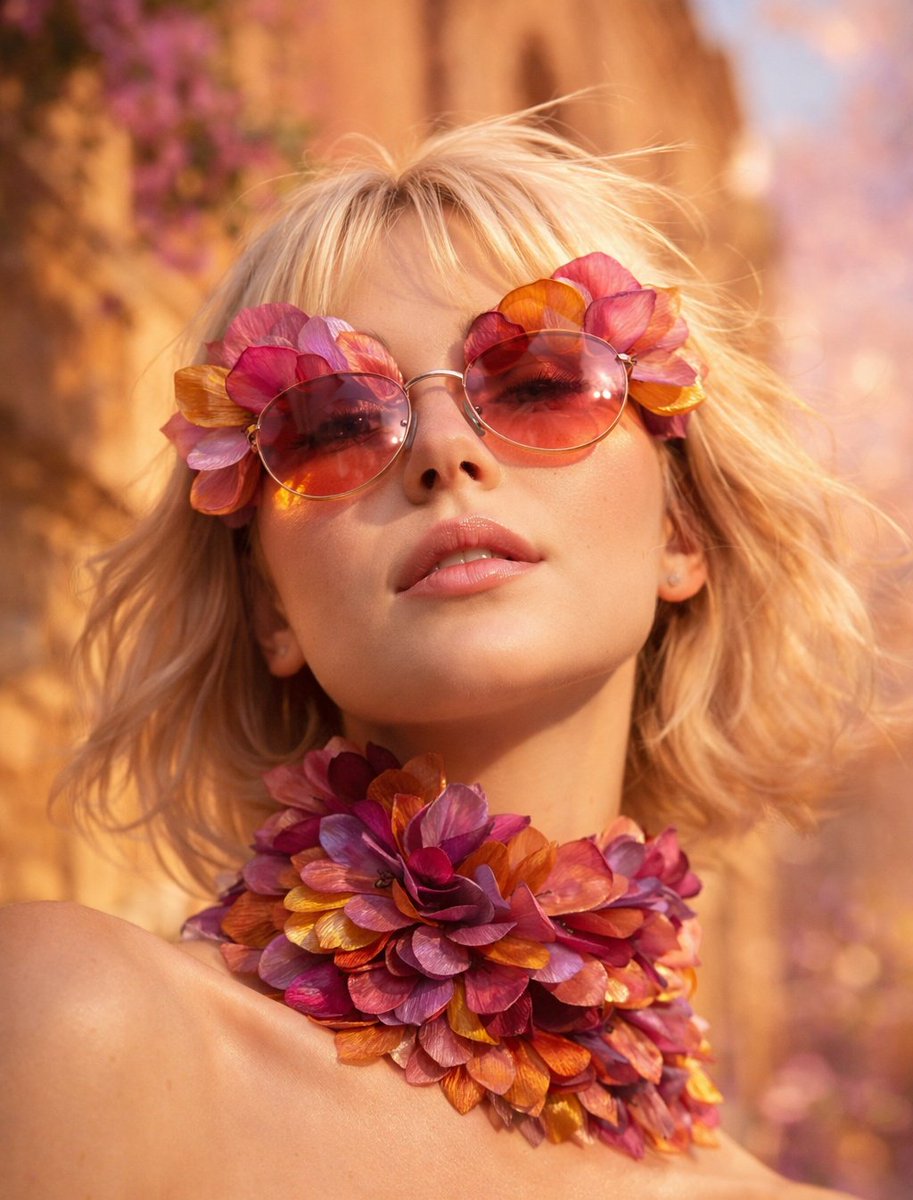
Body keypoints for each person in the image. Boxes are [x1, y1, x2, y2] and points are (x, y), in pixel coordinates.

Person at [0, 111, 881, 1198]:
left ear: (678, 531)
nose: (444, 451)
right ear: (267, 602)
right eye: (327, 424)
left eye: (541, 382)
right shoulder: (82, 1031)